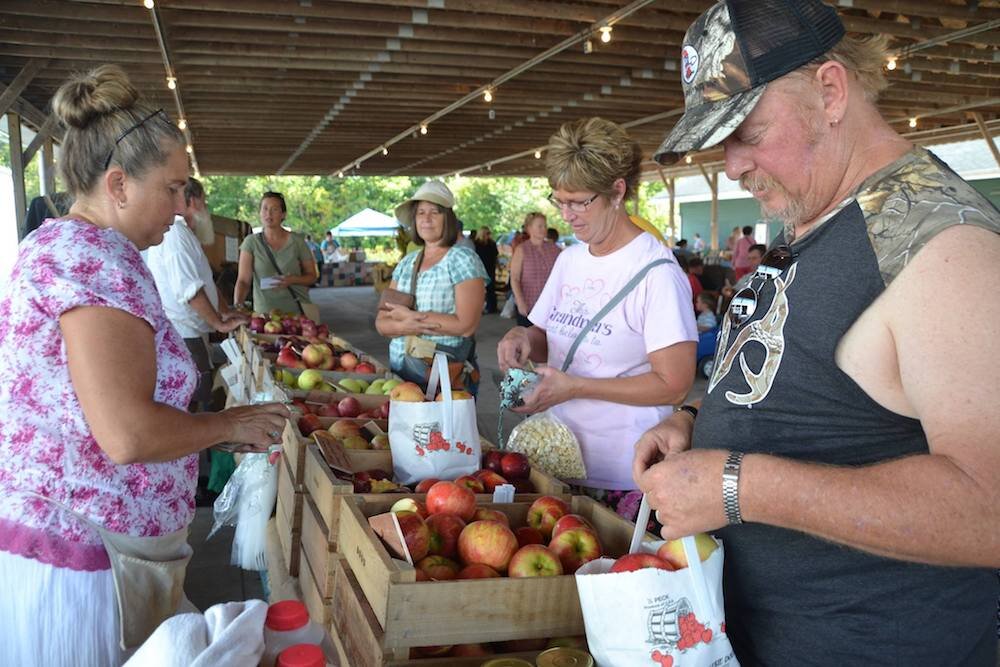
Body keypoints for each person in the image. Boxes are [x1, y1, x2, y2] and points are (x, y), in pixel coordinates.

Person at [638, 1, 1000, 664]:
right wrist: (698, 418)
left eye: (746, 129)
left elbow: (991, 506)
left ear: (831, 92)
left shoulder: (941, 244)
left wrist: (736, 484)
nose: (731, 165)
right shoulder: (817, 212)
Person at [0, 65, 289, 666]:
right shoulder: (97, 259)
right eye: (173, 187)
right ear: (118, 184)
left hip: (74, 543)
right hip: (88, 563)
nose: (183, 207)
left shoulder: (59, 245)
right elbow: (128, 434)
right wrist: (229, 426)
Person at [497, 117, 697, 501]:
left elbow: (675, 383)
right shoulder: (570, 260)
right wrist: (520, 337)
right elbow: (544, 337)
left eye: (579, 202)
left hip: (622, 474)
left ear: (617, 191)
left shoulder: (656, 273)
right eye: (560, 201)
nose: (567, 215)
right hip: (554, 459)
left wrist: (577, 387)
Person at [143, 177, 245, 411]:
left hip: (192, 333)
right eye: (203, 202)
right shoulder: (176, 235)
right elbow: (189, 290)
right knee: (192, 403)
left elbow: (205, 282)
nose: (205, 209)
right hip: (183, 334)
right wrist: (218, 323)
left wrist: (225, 312)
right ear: (192, 201)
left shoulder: (186, 235)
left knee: (198, 397)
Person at [375, 180, 487, 394]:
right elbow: (382, 322)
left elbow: (466, 325)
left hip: (443, 377)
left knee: (444, 428)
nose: (426, 218)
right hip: (401, 373)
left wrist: (413, 319)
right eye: (420, 213)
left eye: (435, 212)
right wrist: (403, 326)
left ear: (448, 218)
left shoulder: (462, 260)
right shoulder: (407, 263)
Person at [234, 192, 318, 316]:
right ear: (260, 213)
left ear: (283, 214)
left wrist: (292, 280)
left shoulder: (297, 241)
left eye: (274, 209)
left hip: (296, 312)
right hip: (264, 314)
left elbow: (312, 276)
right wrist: (238, 307)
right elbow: (243, 281)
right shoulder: (251, 242)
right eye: (265, 208)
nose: (269, 213)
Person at [508, 212, 561, 328]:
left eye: (545, 226)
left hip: (551, 306)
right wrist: (520, 301)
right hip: (528, 304)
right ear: (529, 228)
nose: (543, 229)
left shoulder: (555, 249)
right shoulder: (521, 250)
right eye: (539, 226)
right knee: (529, 341)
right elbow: (515, 278)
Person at [474, 226, 499, 314]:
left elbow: (495, 255)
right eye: (487, 233)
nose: (489, 235)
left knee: (491, 288)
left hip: (490, 268)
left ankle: (492, 307)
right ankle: (480, 308)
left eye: (489, 233)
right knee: (480, 289)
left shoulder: (492, 243)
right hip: (480, 268)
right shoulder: (476, 243)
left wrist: (496, 264)